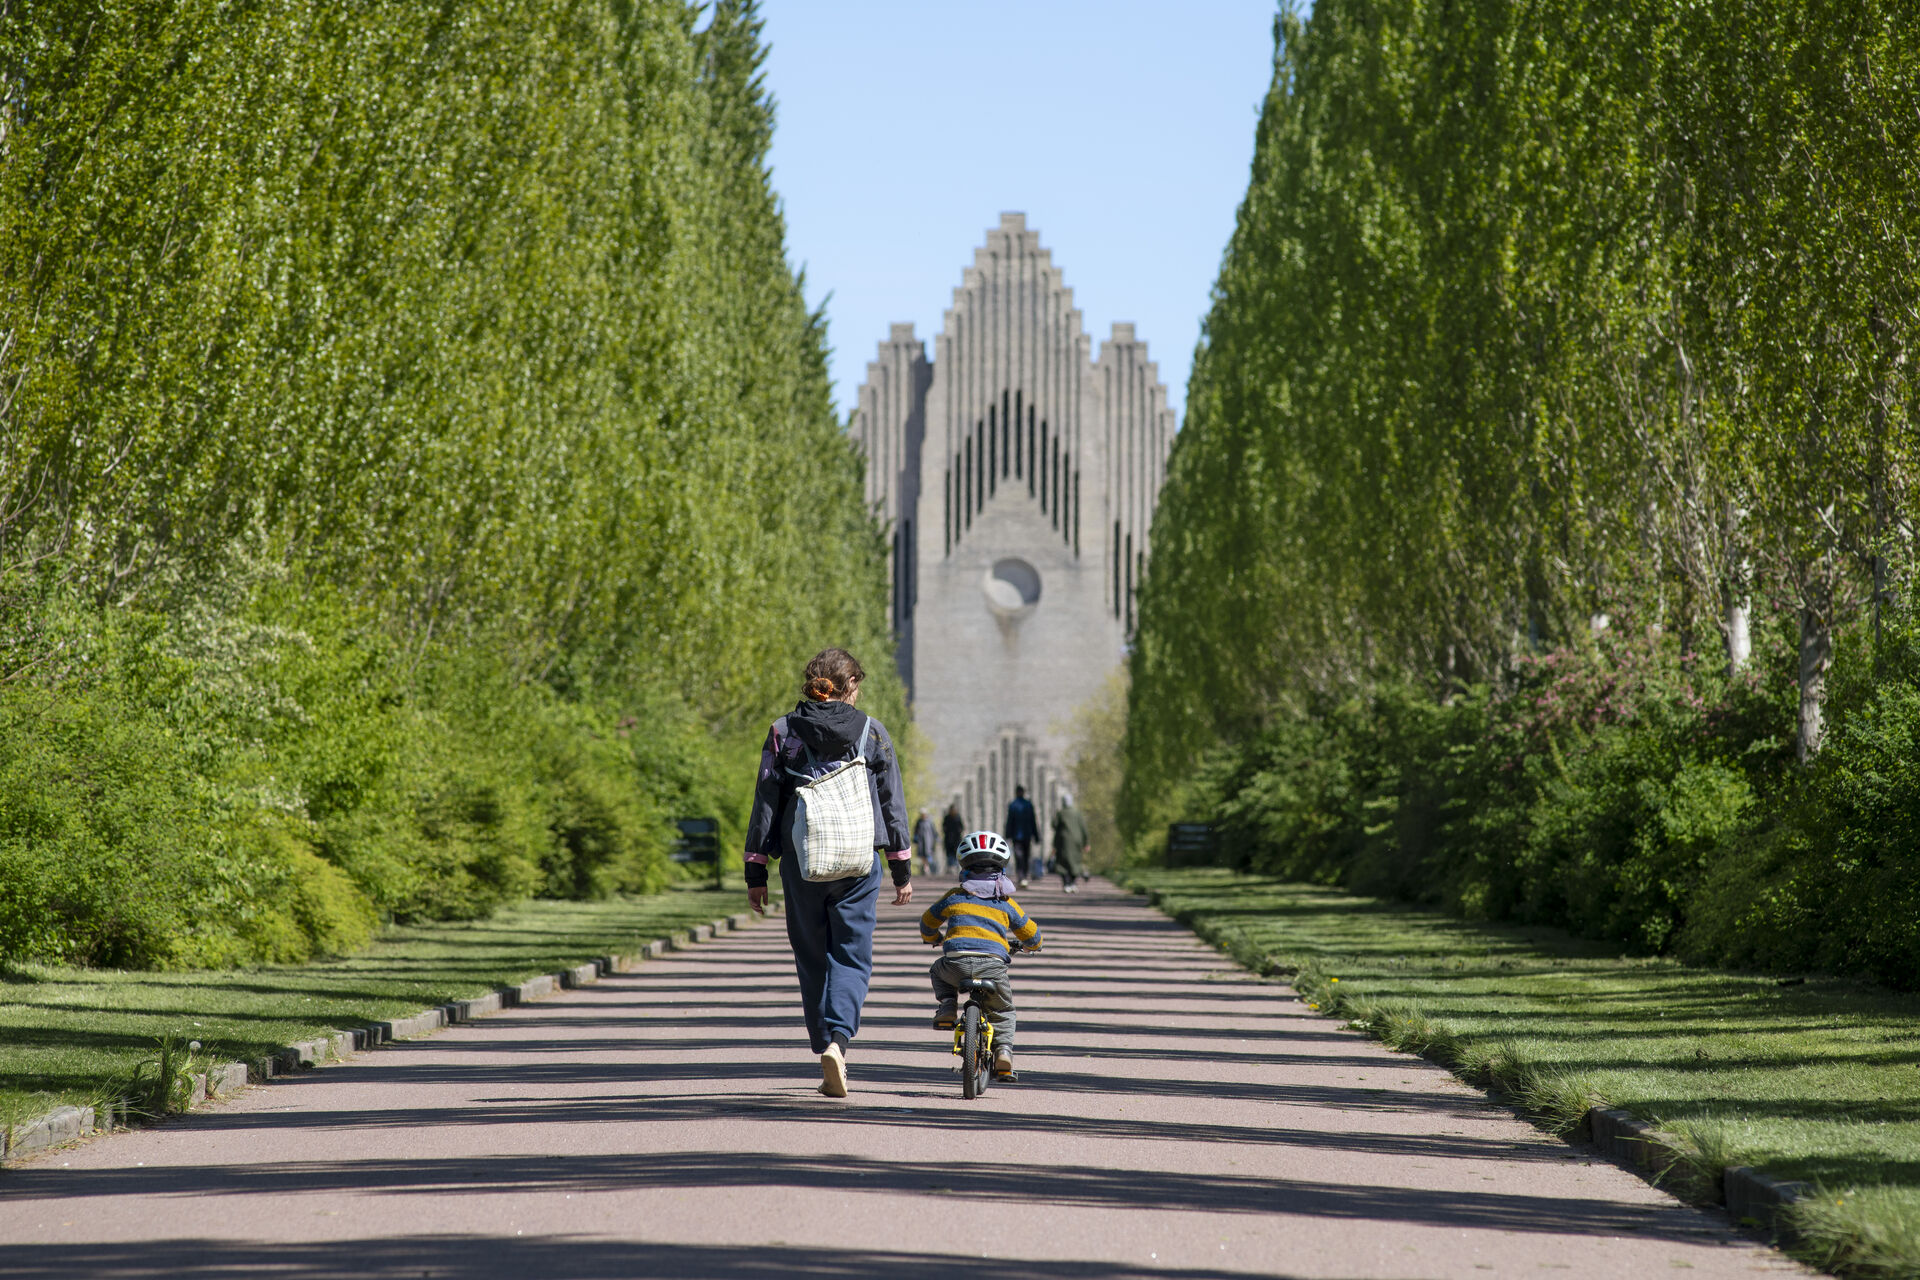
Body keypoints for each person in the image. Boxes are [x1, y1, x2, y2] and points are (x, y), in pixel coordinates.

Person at [744, 647, 912, 1098]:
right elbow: (891, 803)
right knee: (852, 952)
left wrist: (756, 870)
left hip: (802, 861)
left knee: (812, 954)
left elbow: (766, 802)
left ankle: (823, 1044)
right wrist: (901, 867)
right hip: (858, 861)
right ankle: (839, 1041)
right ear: (850, 686)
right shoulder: (872, 733)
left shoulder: (784, 732)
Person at [920, 830, 1042, 1082]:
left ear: (964, 867)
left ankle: (946, 1007)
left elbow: (927, 922)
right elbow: (1031, 933)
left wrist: (934, 938)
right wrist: (1033, 945)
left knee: (937, 970)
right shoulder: (1006, 902)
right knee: (1004, 1011)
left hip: (956, 962)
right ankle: (1004, 1052)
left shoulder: (954, 896)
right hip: (993, 967)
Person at [1051, 790, 1090, 893]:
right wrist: (1086, 842)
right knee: (1075, 862)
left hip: (1063, 842)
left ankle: (1066, 883)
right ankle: (1073, 883)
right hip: (1077, 842)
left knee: (1063, 863)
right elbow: (1083, 828)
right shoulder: (1077, 813)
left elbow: (1054, 825)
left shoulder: (1061, 813)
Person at [1004, 785, 1039, 887]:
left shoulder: (1014, 805)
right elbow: (1033, 821)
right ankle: (1023, 876)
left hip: (1017, 835)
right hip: (1025, 835)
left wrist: (1008, 834)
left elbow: (1010, 821)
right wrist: (1036, 835)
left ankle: (1021, 876)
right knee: (1025, 856)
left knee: (1020, 856)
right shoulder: (1028, 804)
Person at [913, 808, 941, 876]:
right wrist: (915, 839)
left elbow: (934, 831)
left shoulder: (930, 822)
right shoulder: (919, 822)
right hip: (921, 842)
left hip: (929, 841)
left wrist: (937, 838)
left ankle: (927, 867)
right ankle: (925, 867)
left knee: (928, 854)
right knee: (922, 855)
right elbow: (915, 832)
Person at [941, 803, 965, 876]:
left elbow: (962, 827)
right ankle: (950, 867)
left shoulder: (958, 817)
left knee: (956, 853)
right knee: (949, 854)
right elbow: (944, 827)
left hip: (956, 839)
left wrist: (959, 832)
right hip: (948, 839)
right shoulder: (947, 818)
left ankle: (956, 867)